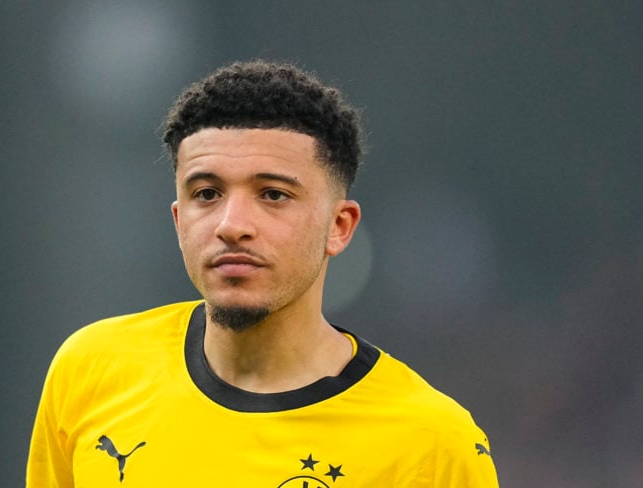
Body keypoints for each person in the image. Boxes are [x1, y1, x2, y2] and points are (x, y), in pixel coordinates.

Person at [27, 60, 499, 487]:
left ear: (339, 227)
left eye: (273, 194)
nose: (232, 226)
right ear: (178, 220)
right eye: (207, 193)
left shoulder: (432, 448)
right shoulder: (90, 371)